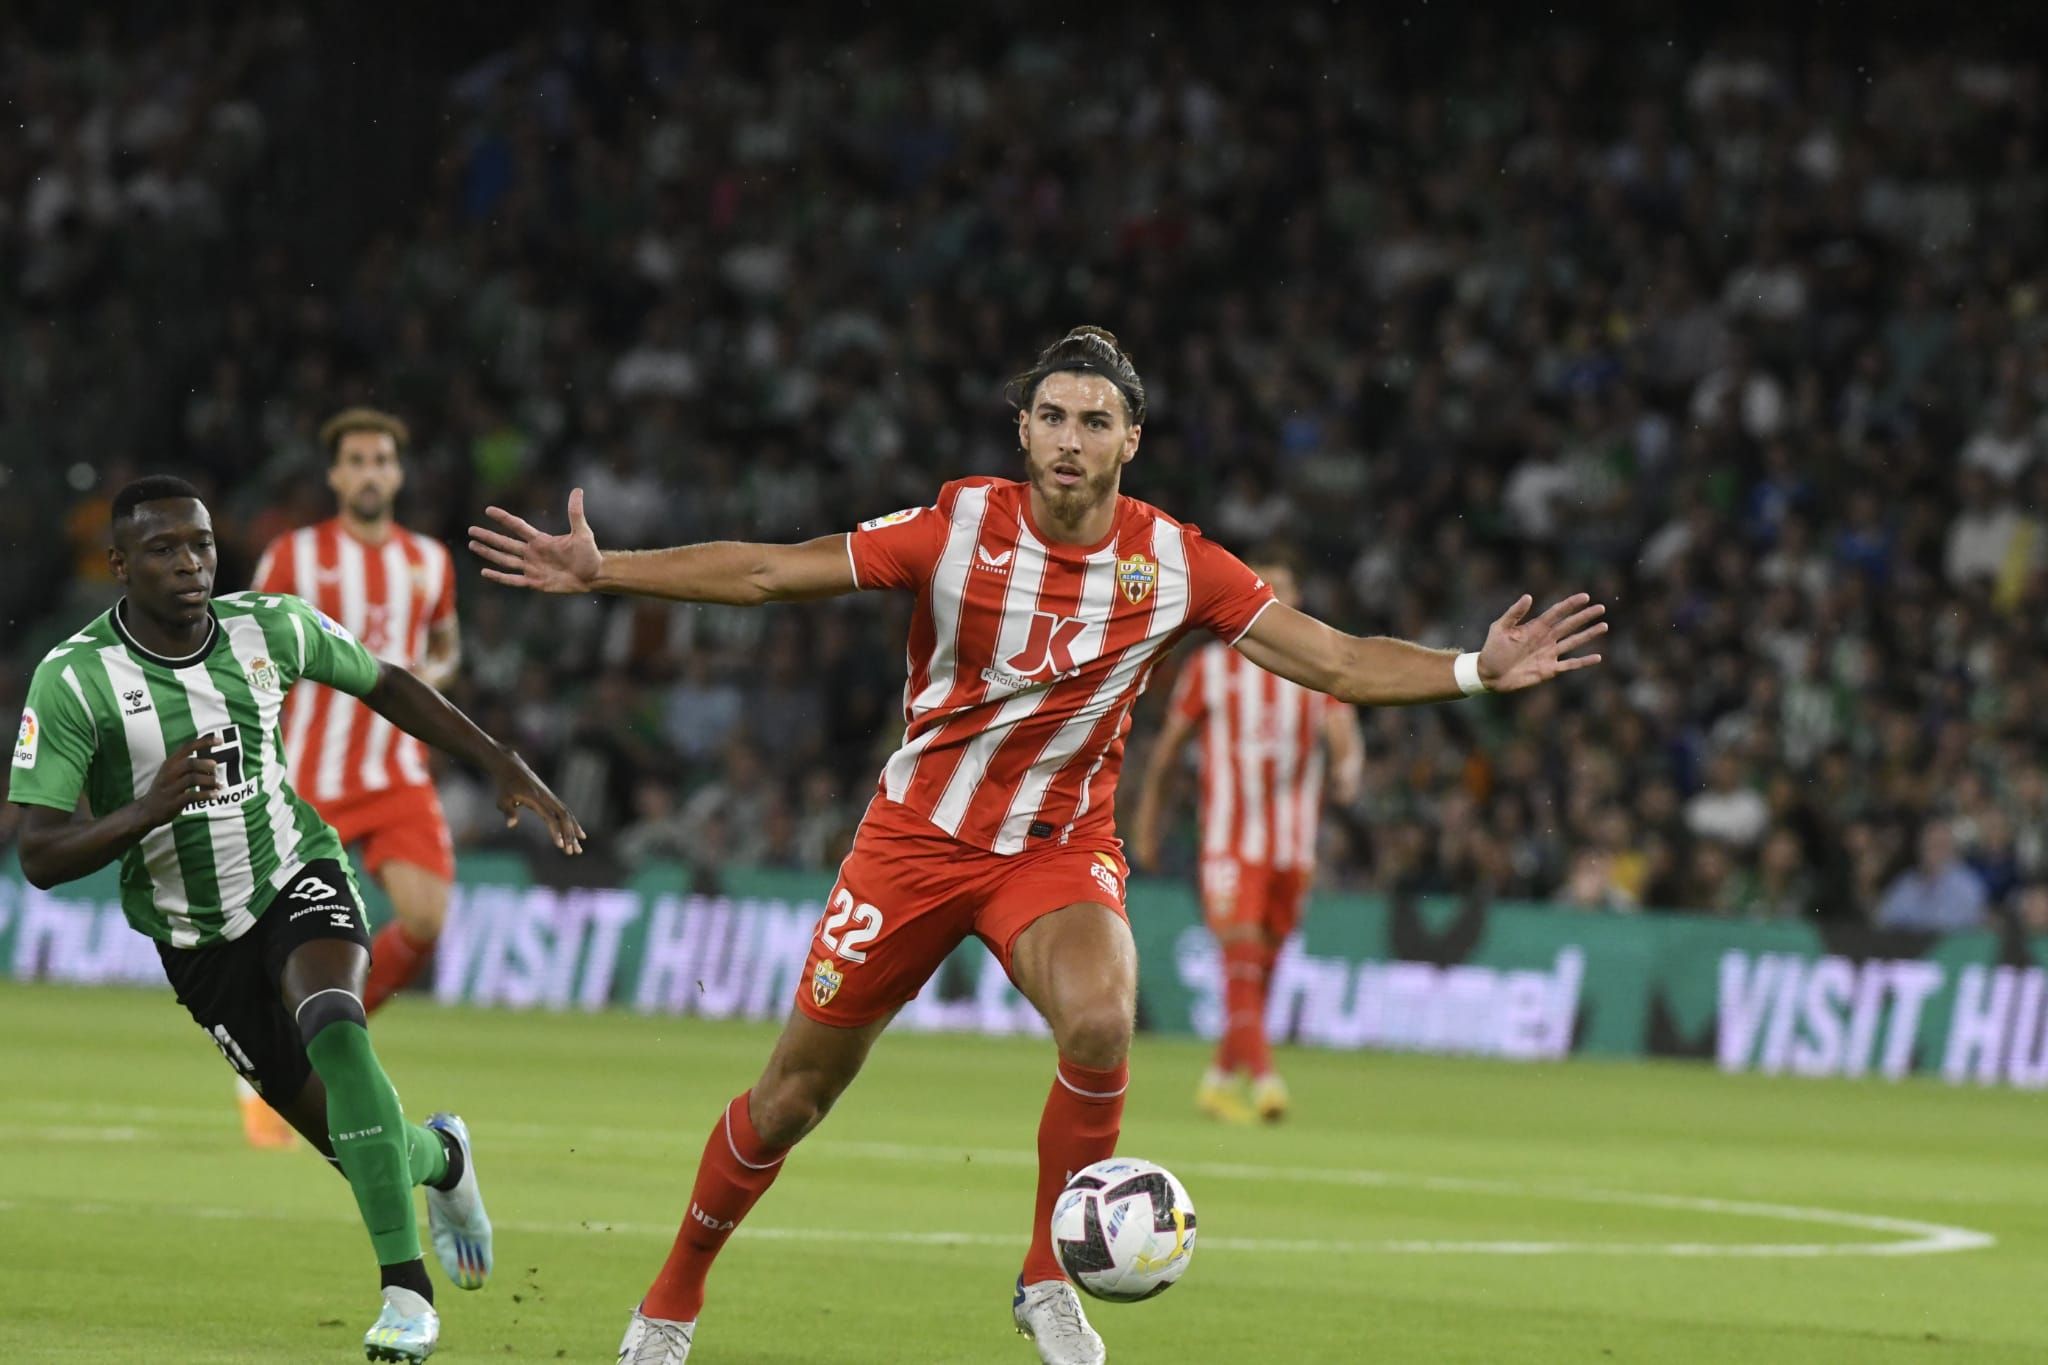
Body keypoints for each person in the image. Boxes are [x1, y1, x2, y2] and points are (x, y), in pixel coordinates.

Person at [469, 327, 1605, 1365]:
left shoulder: (1174, 563)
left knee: (1104, 1018)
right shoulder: (954, 526)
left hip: (1053, 854)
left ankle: (1043, 1278)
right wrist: (602, 569)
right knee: (790, 1099)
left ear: (1131, 440)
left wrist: (1472, 669)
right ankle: (670, 1304)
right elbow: (774, 570)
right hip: (910, 843)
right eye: (1052, 416)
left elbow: (1335, 662)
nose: (1070, 439)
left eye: (1094, 421)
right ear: (1022, 429)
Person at [10, 477, 585, 1363]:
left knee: (336, 1025)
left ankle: (407, 1296)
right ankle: (443, 1159)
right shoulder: (76, 679)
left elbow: (386, 680)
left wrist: (499, 758)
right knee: (359, 1146)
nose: (191, 563)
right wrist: (144, 810)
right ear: (119, 565)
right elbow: (40, 855)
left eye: (201, 543)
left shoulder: (268, 627)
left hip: (295, 872)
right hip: (196, 939)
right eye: (163, 549)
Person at [239, 409, 461, 1148]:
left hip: (395, 770)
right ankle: (274, 1062)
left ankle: (316, 1036)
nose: (369, 472)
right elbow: (245, 641)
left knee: (425, 918)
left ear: (398, 473)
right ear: (335, 475)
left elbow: (445, 643)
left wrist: (431, 677)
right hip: (309, 774)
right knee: (282, 937)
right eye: (356, 460)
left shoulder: (429, 561)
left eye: (381, 460)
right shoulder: (293, 556)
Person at [1129, 544, 1363, 1124]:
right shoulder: (1209, 669)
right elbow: (1166, 754)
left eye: (1284, 588)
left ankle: (1217, 1078)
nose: (1275, 598)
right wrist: (1146, 823)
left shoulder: (1315, 670)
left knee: (1265, 965)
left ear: (1300, 600)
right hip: (1228, 842)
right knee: (1240, 953)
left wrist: (1347, 769)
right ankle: (1263, 1080)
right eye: (1266, 588)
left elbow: (1343, 728)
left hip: (1291, 845)